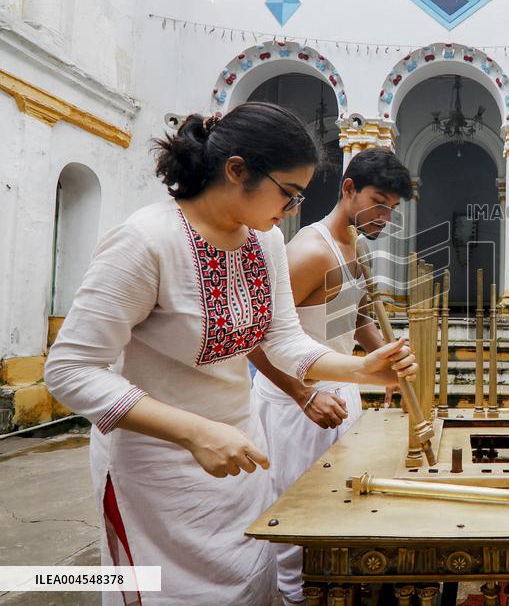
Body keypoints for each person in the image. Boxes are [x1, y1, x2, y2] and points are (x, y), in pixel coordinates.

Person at [44, 103, 417, 606]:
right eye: (288, 193)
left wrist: (363, 369)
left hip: (241, 451)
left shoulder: (266, 241)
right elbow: (70, 370)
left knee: (249, 582)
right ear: (237, 170)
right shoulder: (147, 241)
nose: (293, 208)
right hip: (156, 465)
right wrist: (194, 431)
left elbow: (283, 339)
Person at [248, 147, 413, 605]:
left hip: (341, 392)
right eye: (378, 202)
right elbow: (254, 337)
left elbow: (354, 315)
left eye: (392, 208)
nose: (385, 217)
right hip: (296, 405)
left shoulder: (356, 246)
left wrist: (388, 357)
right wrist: (303, 396)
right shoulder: (309, 252)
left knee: (339, 510)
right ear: (349, 189)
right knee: (295, 520)